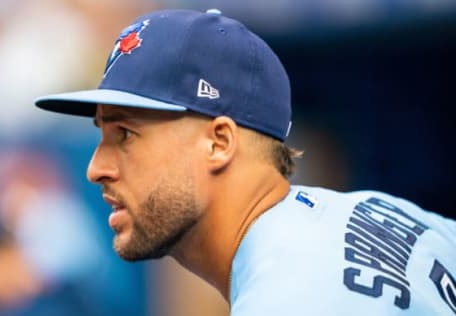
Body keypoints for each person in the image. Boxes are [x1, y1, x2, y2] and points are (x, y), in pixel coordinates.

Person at [34, 8, 456, 315]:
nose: (95, 168)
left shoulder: (288, 300)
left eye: (125, 134)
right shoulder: (383, 212)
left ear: (219, 142)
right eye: (101, 135)